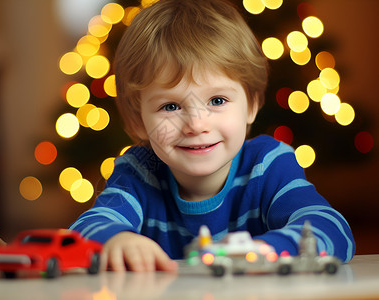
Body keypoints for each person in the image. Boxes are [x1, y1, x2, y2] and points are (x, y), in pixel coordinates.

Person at [69, 0, 355, 272]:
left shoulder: (268, 165)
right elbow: (84, 232)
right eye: (170, 106)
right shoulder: (138, 172)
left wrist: (267, 250)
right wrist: (117, 240)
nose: (196, 124)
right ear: (139, 121)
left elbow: (332, 227)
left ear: (252, 106)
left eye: (217, 100)